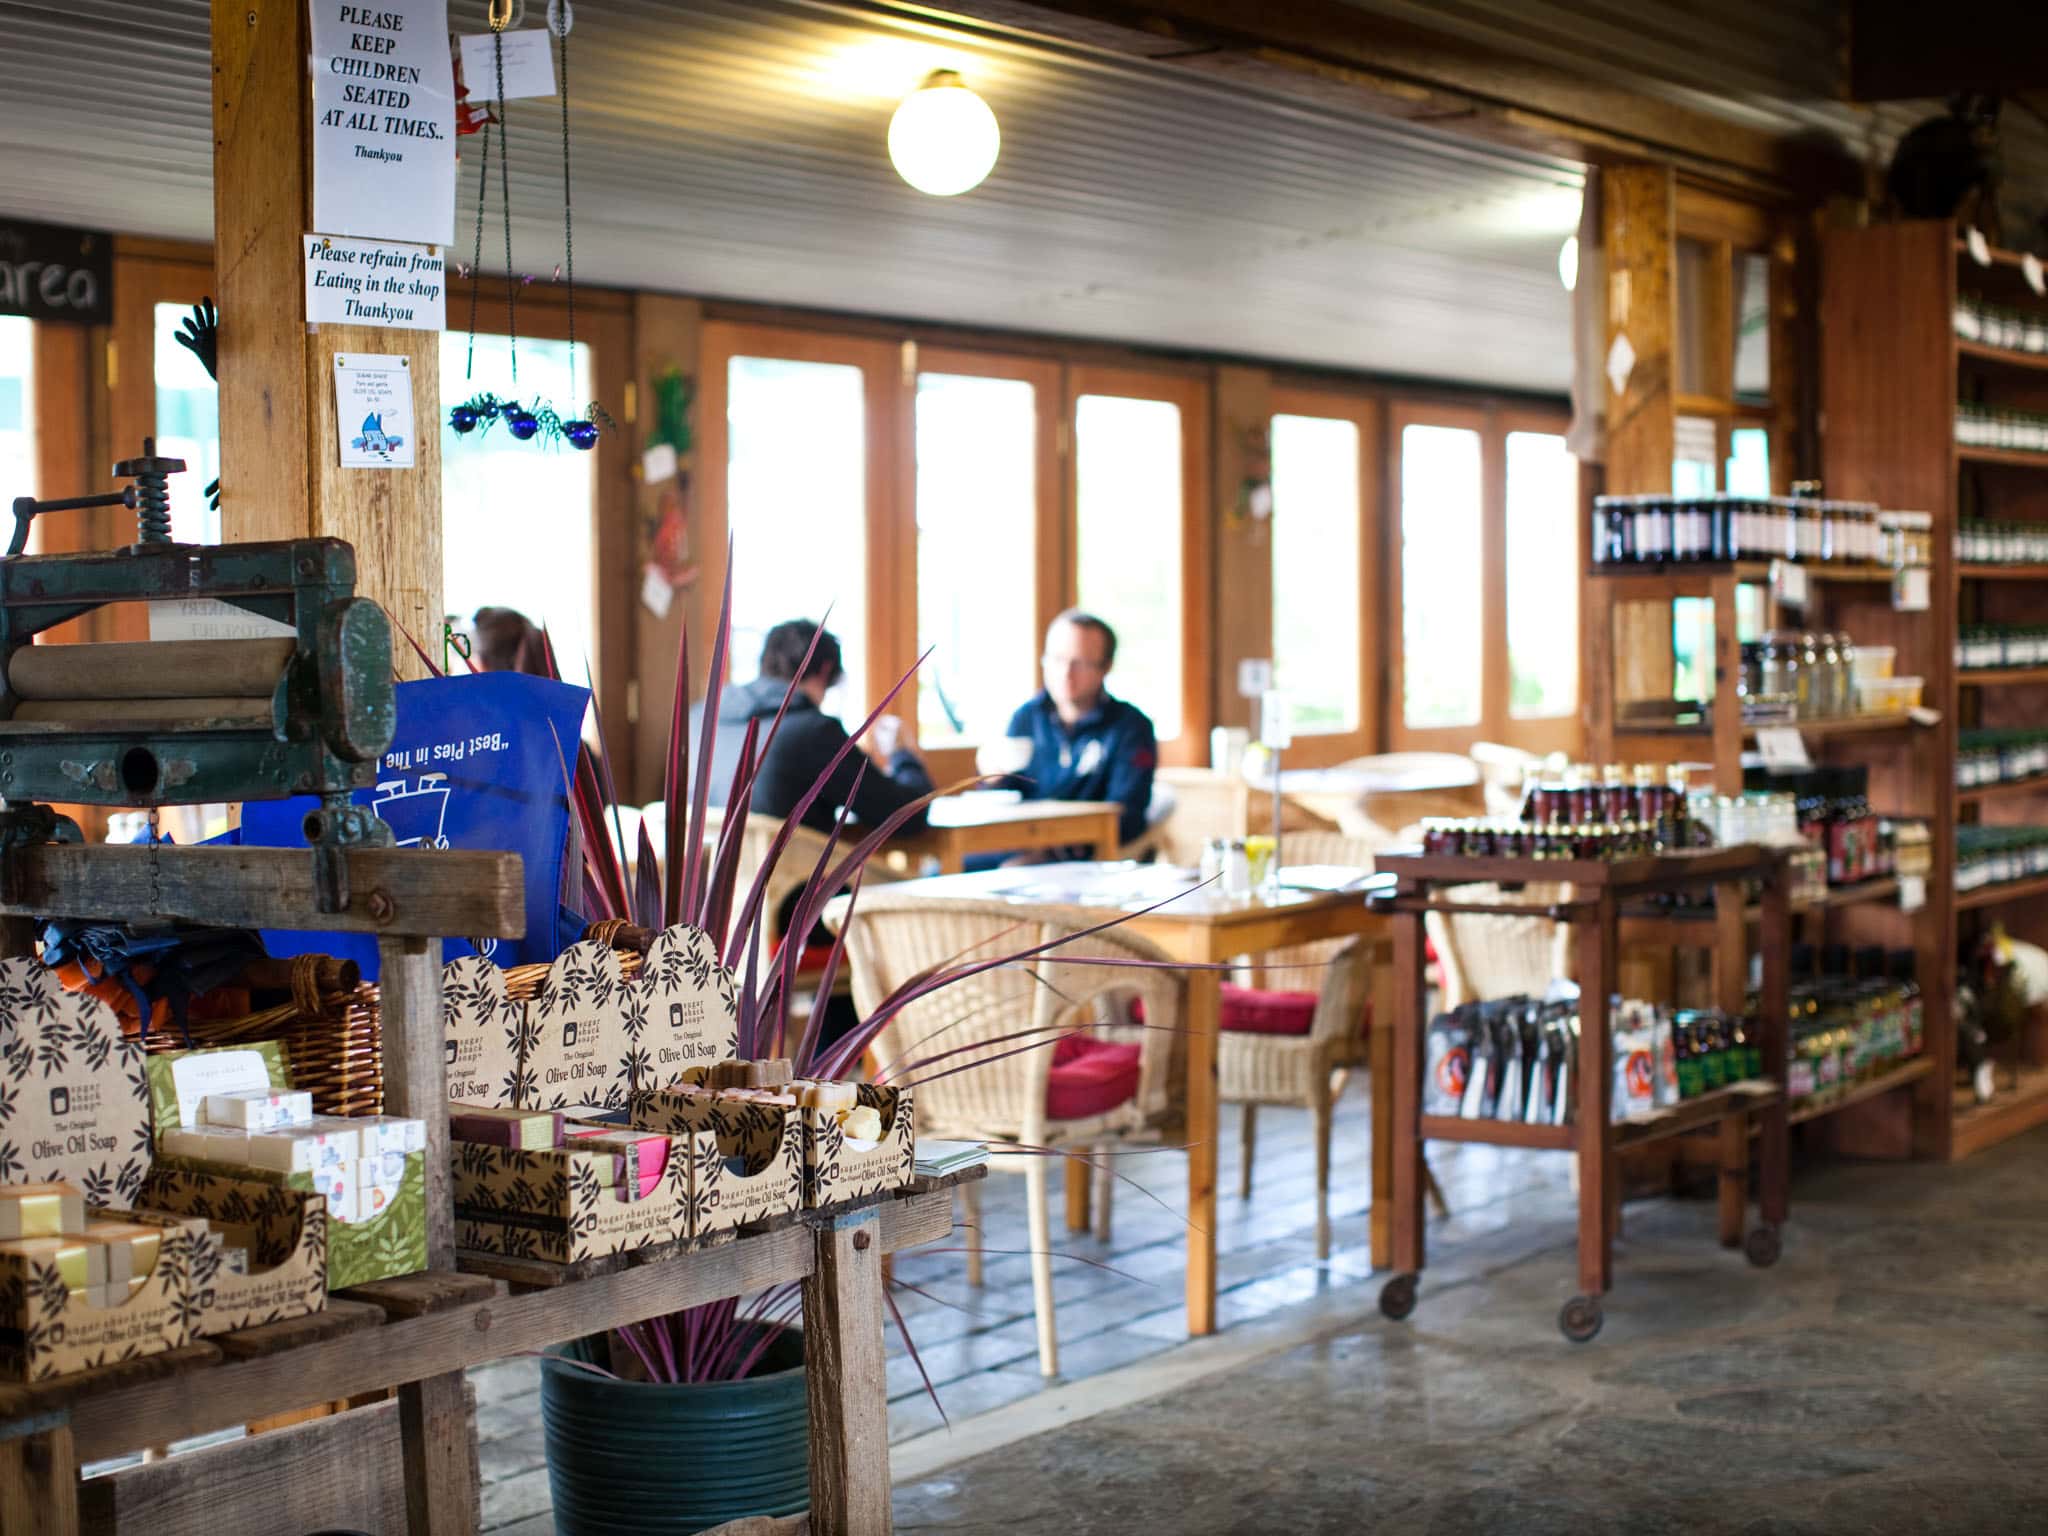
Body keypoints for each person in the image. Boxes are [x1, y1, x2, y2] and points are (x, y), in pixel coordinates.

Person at [698, 620, 933, 835]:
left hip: (714, 881)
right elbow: (906, 816)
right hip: (802, 880)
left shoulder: (701, 719)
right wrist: (901, 754)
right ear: (825, 670)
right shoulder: (812, 732)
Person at [1002, 610, 1157, 849]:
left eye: (1080, 663)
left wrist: (1054, 851)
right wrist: (991, 777)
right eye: (1057, 659)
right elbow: (1006, 795)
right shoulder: (1026, 718)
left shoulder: (1131, 727)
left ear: (1105, 667)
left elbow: (1127, 815)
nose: (1066, 673)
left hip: (1085, 854)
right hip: (1018, 842)